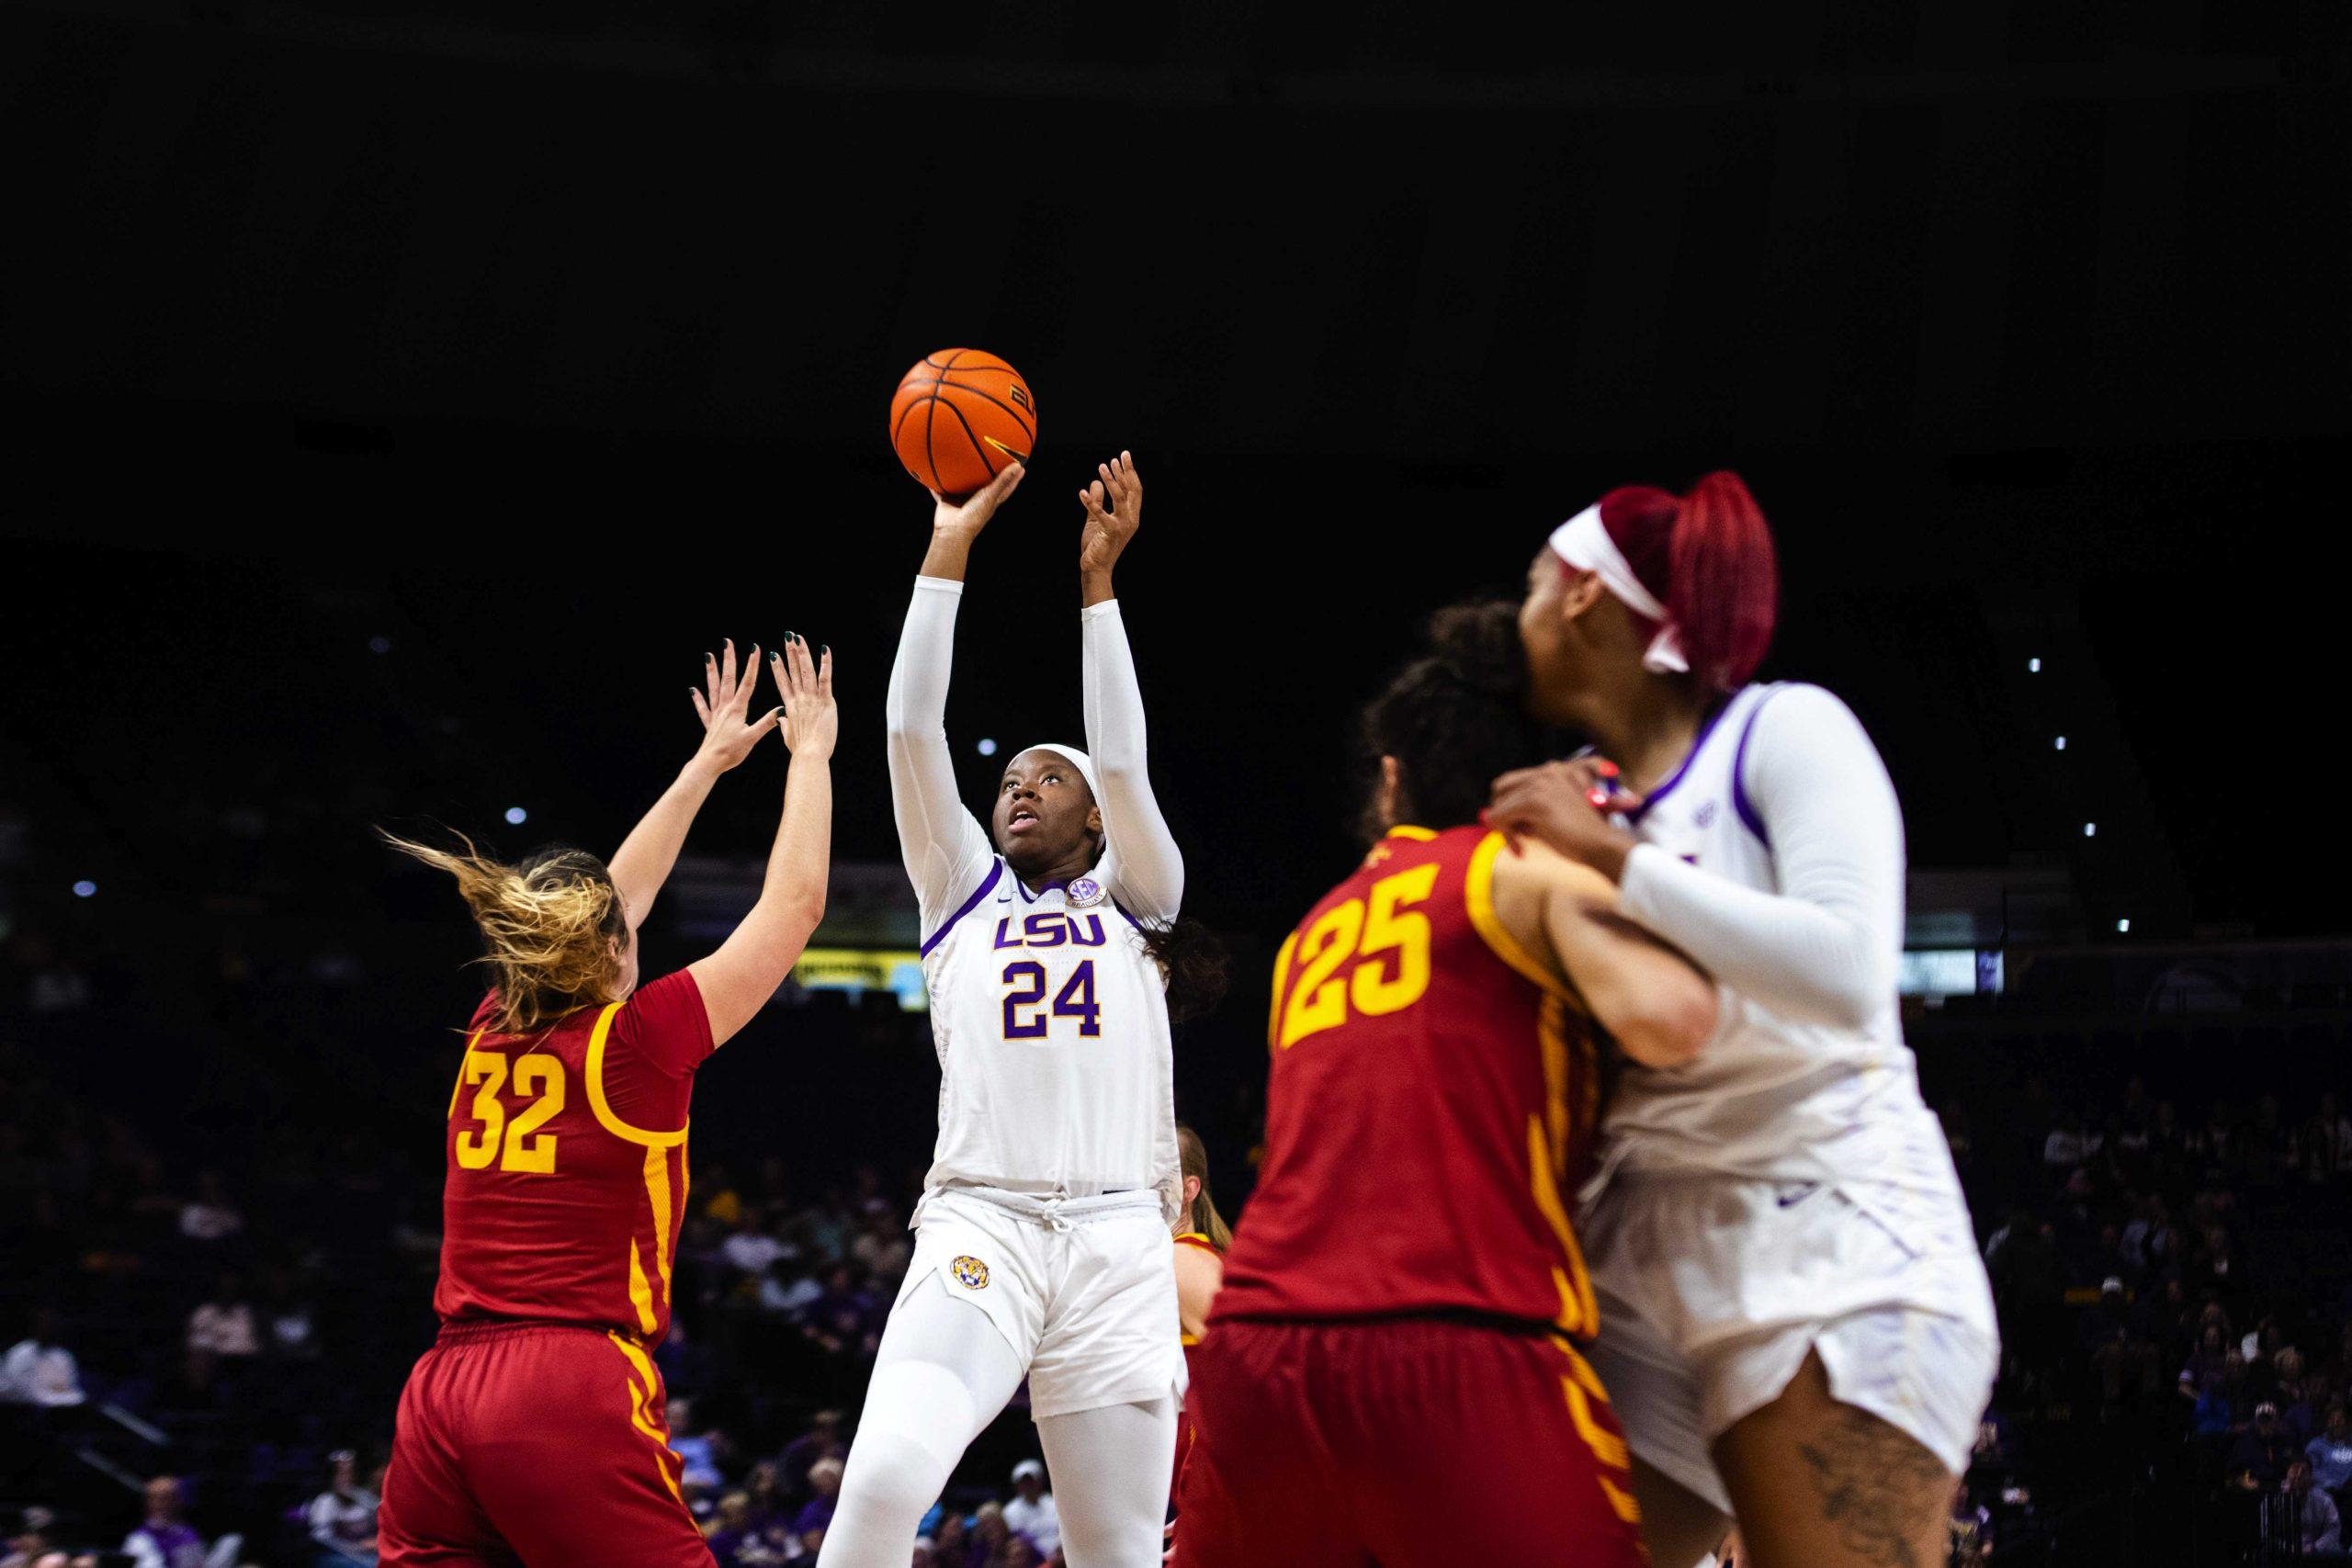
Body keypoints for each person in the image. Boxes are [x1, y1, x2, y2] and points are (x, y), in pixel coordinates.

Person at [1487, 474, 1999, 1568]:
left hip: (1831, 1243)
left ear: (1583, 596)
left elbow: (1850, 971)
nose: (1516, 610)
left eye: (1534, 582)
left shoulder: (1782, 729)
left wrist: (1614, 862)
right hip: (1641, 1253)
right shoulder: (1583, 794)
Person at [1174, 603, 1718, 1568]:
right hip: (1447, 1343)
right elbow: (1676, 1019)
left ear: (1391, 780)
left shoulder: (1311, 936)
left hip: (1259, 1362)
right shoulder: (1519, 875)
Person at [823, 456, 1221, 1568]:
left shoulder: (1141, 897)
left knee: (1121, 1553)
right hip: (983, 1226)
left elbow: (1129, 761)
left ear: (1096, 819)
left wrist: (1099, 586)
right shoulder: (958, 889)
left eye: (1050, 778)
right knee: (884, 1481)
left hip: (1116, 1240)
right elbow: (911, 730)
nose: (1018, 785)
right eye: (1010, 777)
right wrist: (948, 544)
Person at [375, 635, 836, 1568]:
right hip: (561, 1384)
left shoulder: (494, 1020)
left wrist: (705, 764)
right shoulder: (633, 1042)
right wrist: (813, 757)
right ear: (614, 956)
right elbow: (791, 908)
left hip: (438, 1396)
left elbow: (610, 907)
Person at [1167, 1126, 1228, 1502]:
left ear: (1189, 1190)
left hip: (1210, 1491)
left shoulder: (1181, 1259)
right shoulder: (1168, 1256)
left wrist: (1207, 1502)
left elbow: (1247, 1381)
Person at [304, 1451, 379, 1567]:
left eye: (349, 1473)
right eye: (340, 1473)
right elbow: (322, 1539)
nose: (345, 1479)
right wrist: (357, 1547)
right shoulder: (325, 1502)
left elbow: (382, 1520)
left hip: (366, 1555)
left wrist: (377, 1541)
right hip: (336, 1557)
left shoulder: (363, 1496)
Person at [0, 1310, 85, 1407]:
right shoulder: (20, 1353)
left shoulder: (62, 1355)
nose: (47, 1329)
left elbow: (69, 1386)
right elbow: (20, 1390)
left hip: (60, 1404)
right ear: (36, 1328)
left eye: (50, 1326)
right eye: (44, 1325)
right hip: (25, 1407)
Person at [1000, 1461, 1059, 1559]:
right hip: (1032, 1560)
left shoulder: (1054, 1503)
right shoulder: (1011, 1510)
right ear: (1017, 1485)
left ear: (1040, 1481)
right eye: (1023, 1482)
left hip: (1061, 1558)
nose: (1028, 1485)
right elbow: (1018, 1540)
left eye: (1030, 1480)